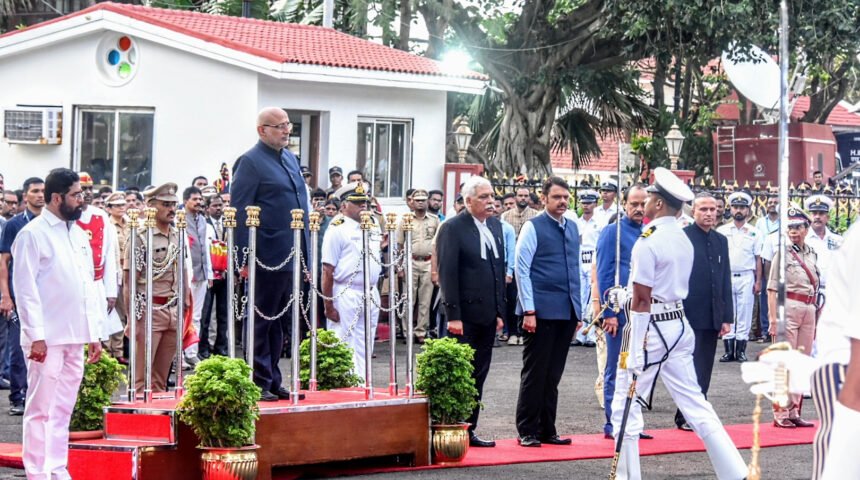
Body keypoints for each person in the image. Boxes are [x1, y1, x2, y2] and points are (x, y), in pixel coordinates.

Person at [610, 168, 746, 479]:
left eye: (648, 199)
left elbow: (643, 300)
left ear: (658, 204)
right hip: (678, 324)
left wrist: (635, 348)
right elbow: (656, 287)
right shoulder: (683, 239)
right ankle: (736, 473)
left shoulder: (648, 240)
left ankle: (627, 476)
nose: (643, 204)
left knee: (624, 405)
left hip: (652, 327)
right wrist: (624, 295)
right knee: (695, 403)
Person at [12, 168, 103, 479]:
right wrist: (35, 335)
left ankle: (57, 467)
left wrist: (94, 333)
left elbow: (87, 286)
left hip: (76, 334)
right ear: (56, 197)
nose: (82, 200)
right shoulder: (32, 234)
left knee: (64, 408)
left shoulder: (77, 233)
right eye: (76, 195)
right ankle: (37, 472)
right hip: (47, 338)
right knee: (40, 409)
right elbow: (25, 290)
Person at [231, 107, 309, 402]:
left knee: (279, 321)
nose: (286, 131)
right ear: (262, 130)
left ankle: (273, 377)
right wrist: (244, 258)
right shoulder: (250, 162)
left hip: (291, 251)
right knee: (260, 318)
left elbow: (301, 207)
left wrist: (305, 258)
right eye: (279, 126)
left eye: (288, 125)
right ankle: (257, 378)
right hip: (264, 252)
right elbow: (239, 212)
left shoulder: (289, 158)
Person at [436, 175, 505, 448]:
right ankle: (454, 425)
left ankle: (469, 427)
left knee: (479, 373)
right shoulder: (453, 227)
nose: (491, 202)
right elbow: (447, 273)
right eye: (484, 197)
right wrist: (453, 315)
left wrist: (500, 311)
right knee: (462, 373)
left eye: (492, 196)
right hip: (463, 317)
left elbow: (497, 271)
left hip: (487, 315)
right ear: (468, 201)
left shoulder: (495, 227)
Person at [514, 176, 581, 447]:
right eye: (557, 197)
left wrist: (580, 309)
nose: (562, 201)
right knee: (535, 372)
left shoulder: (573, 228)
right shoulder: (533, 226)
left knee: (553, 375)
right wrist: (529, 309)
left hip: (567, 311)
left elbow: (576, 271)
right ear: (544, 199)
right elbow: (522, 268)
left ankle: (547, 429)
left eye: (566, 197)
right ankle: (527, 430)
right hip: (540, 311)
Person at [674, 192, 733, 431]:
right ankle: (685, 414)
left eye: (713, 209)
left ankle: (698, 408)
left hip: (712, 312)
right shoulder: (684, 237)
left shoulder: (721, 240)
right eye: (704, 210)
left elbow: (724, 278)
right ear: (693, 211)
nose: (709, 214)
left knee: (705, 364)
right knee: (688, 366)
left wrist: (727, 316)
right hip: (689, 311)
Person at [123, 183, 189, 393]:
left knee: (162, 379)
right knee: (141, 379)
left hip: (172, 309)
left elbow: (182, 268)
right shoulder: (140, 237)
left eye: (174, 204)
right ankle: (138, 420)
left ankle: (160, 420)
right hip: (149, 311)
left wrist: (185, 298)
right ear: (151, 207)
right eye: (165, 204)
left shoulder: (177, 234)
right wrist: (132, 318)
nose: (171, 209)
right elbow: (129, 282)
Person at [596, 184, 646, 439]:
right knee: (616, 368)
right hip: (619, 312)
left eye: (642, 204)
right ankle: (613, 423)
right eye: (634, 204)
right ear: (624, 204)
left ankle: (633, 420)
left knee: (638, 367)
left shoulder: (649, 232)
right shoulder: (611, 233)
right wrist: (609, 314)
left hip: (643, 312)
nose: (638, 208)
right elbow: (604, 273)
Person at [322, 182, 381, 378]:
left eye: (365, 202)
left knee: (366, 340)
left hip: (371, 290)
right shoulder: (337, 228)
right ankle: (346, 383)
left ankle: (365, 381)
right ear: (344, 205)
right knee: (344, 340)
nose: (363, 206)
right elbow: (328, 270)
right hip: (346, 290)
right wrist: (328, 304)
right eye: (357, 203)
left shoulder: (373, 224)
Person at [767, 205, 818, 428]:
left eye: (798, 227)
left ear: (806, 229)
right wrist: (772, 319)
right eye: (790, 228)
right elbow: (771, 289)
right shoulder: (782, 252)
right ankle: (781, 413)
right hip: (788, 307)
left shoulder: (812, 253)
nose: (794, 231)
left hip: (809, 308)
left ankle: (795, 410)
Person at [0, 178, 45, 416]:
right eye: (35, 191)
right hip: (20, 298)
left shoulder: (53, 224)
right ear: (25, 196)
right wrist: (6, 296)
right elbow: (4, 262)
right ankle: (18, 396)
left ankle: (38, 395)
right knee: (20, 348)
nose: (40, 195)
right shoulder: (14, 225)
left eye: (43, 191)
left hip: (47, 299)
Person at [76, 173, 122, 362]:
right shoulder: (67, 216)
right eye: (82, 189)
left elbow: (110, 255)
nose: (87, 193)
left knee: (97, 332)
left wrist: (111, 291)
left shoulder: (101, 215)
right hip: (75, 285)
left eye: (89, 189)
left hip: (97, 283)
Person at [716, 191, 763, 363]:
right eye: (736, 207)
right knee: (728, 313)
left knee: (744, 312)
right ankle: (729, 351)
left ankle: (741, 350)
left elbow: (758, 258)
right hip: (726, 276)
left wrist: (758, 281)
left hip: (746, 276)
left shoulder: (754, 233)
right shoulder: (721, 231)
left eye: (742, 207)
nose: (739, 210)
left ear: (748, 210)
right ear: (731, 208)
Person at [398, 189, 439, 344]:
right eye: (418, 200)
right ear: (412, 202)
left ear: (427, 201)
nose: (421, 202)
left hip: (428, 261)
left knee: (425, 299)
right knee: (408, 298)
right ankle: (407, 331)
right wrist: (400, 267)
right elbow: (399, 244)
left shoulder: (434, 220)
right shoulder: (406, 220)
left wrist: (436, 267)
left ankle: (421, 331)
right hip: (411, 261)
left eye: (423, 200)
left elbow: (438, 244)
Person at [181, 186, 213, 366]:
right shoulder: (180, 220)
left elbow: (206, 250)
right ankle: (179, 355)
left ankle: (191, 352)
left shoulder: (203, 221)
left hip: (202, 273)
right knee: (183, 315)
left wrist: (209, 274)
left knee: (197, 316)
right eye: (195, 199)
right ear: (186, 201)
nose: (199, 202)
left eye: (200, 200)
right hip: (187, 274)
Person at [200, 193, 229, 358]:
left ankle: (221, 347)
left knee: (223, 313)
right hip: (209, 274)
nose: (219, 208)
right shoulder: (205, 224)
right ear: (207, 208)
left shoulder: (228, 222)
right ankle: (203, 348)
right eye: (215, 206)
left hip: (224, 274)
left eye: (220, 205)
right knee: (205, 314)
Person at [573, 189, 600, 347]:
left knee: (592, 299)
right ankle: (580, 334)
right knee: (581, 298)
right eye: (583, 203)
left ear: (595, 204)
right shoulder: (577, 222)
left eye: (589, 203)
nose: (586, 206)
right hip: (580, 259)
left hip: (593, 260)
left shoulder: (599, 222)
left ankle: (591, 334)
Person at [104, 192, 129, 364]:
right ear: (109, 208)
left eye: (123, 204)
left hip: (129, 271)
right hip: (114, 270)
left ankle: (118, 350)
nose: (122, 207)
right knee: (110, 312)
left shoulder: (131, 223)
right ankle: (107, 349)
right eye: (117, 205)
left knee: (124, 313)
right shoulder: (106, 225)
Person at [804, 194, 843, 291]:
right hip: (809, 292)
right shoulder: (803, 240)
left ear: (828, 218)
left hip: (833, 291)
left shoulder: (838, 240)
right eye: (814, 213)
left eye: (821, 213)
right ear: (809, 217)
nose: (817, 217)